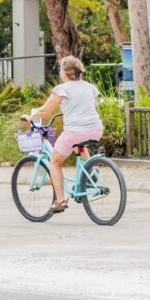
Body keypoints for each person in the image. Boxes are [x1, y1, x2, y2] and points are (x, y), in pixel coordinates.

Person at [23, 55, 103, 214]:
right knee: (79, 145)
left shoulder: (62, 89)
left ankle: (60, 200)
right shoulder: (90, 87)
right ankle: (91, 172)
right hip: (96, 130)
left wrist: (30, 117)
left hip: (74, 133)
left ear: (64, 72)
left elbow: (45, 110)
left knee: (55, 161)